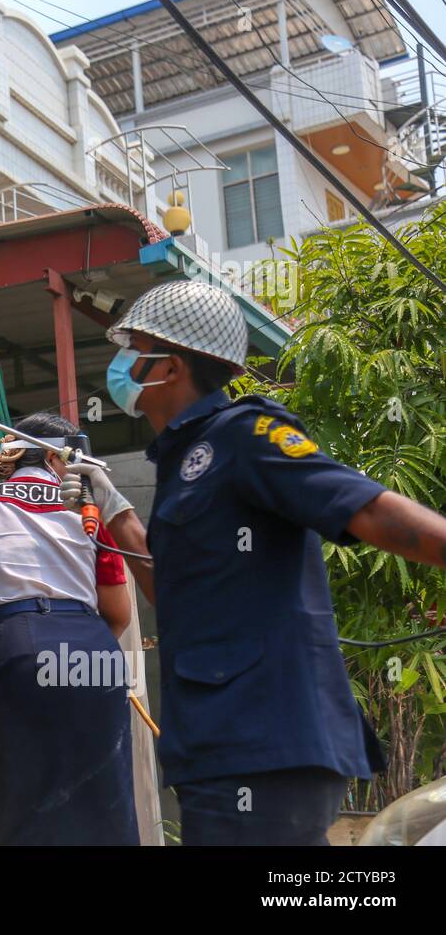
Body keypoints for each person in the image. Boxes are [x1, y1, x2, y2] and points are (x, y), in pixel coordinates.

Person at [62, 278, 446, 845]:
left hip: (263, 740)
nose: (122, 362)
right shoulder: (182, 462)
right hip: (219, 745)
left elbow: (366, 509)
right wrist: (115, 510)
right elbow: (173, 595)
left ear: (171, 367)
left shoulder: (245, 436)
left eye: (134, 348)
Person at [0, 413, 139, 845]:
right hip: (94, 646)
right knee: (105, 796)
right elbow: (118, 614)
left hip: (22, 641)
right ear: (53, 456)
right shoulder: (90, 510)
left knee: (22, 790)